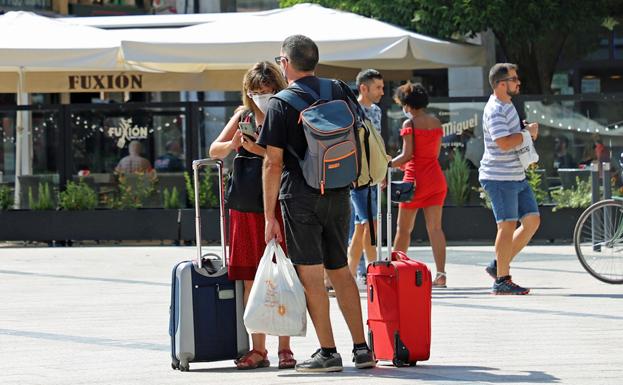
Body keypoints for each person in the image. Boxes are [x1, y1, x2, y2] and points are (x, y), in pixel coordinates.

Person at [258, 34, 376, 373]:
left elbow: (272, 163)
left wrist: (270, 216)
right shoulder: (338, 89)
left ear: (286, 62)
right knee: (341, 270)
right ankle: (362, 348)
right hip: (339, 190)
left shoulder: (281, 102)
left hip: (300, 195)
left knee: (311, 275)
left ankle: (328, 352)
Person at [208, 61, 296, 370]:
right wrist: (234, 144)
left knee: (281, 277)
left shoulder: (285, 115)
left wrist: (259, 151)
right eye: (255, 91)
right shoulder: (242, 116)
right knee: (248, 278)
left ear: (277, 89)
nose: (260, 96)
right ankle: (259, 349)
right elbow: (213, 151)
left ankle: (285, 347)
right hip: (244, 206)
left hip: (276, 206)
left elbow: (290, 160)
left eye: (266, 91)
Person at [479, 63, 540, 295]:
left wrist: (523, 130)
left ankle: (498, 265)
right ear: (501, 84)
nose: (518, 82)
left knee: (532, 221)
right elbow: (502, 142)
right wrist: (527, 134)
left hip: (516, 175)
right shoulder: (495, 108)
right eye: (514, 79)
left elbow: (510, 136)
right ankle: (502, 280)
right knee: (506, 227)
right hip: (499, 176)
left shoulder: (508, 104)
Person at [389, 82, 448, 288]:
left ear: (407, 104)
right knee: (436, 228)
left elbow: (407, 155)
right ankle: (441, 275)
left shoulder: (410, 124)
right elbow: (433, 155)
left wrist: (388, 164)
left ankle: (394, 271)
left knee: (403, 230)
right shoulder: (436, 122)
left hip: (414, 181)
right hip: (435, 179)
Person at [347, 69, 384, 280]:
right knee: (368, 224)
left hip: (372, 175)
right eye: (378, 87)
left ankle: (354, 272)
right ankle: (372, 270)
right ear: (363, 88)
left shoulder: (377, 111)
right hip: (359, 176)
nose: (381, 92)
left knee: (363, 225)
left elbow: (377, 142)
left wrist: (382, 170)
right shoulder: (353, 110)